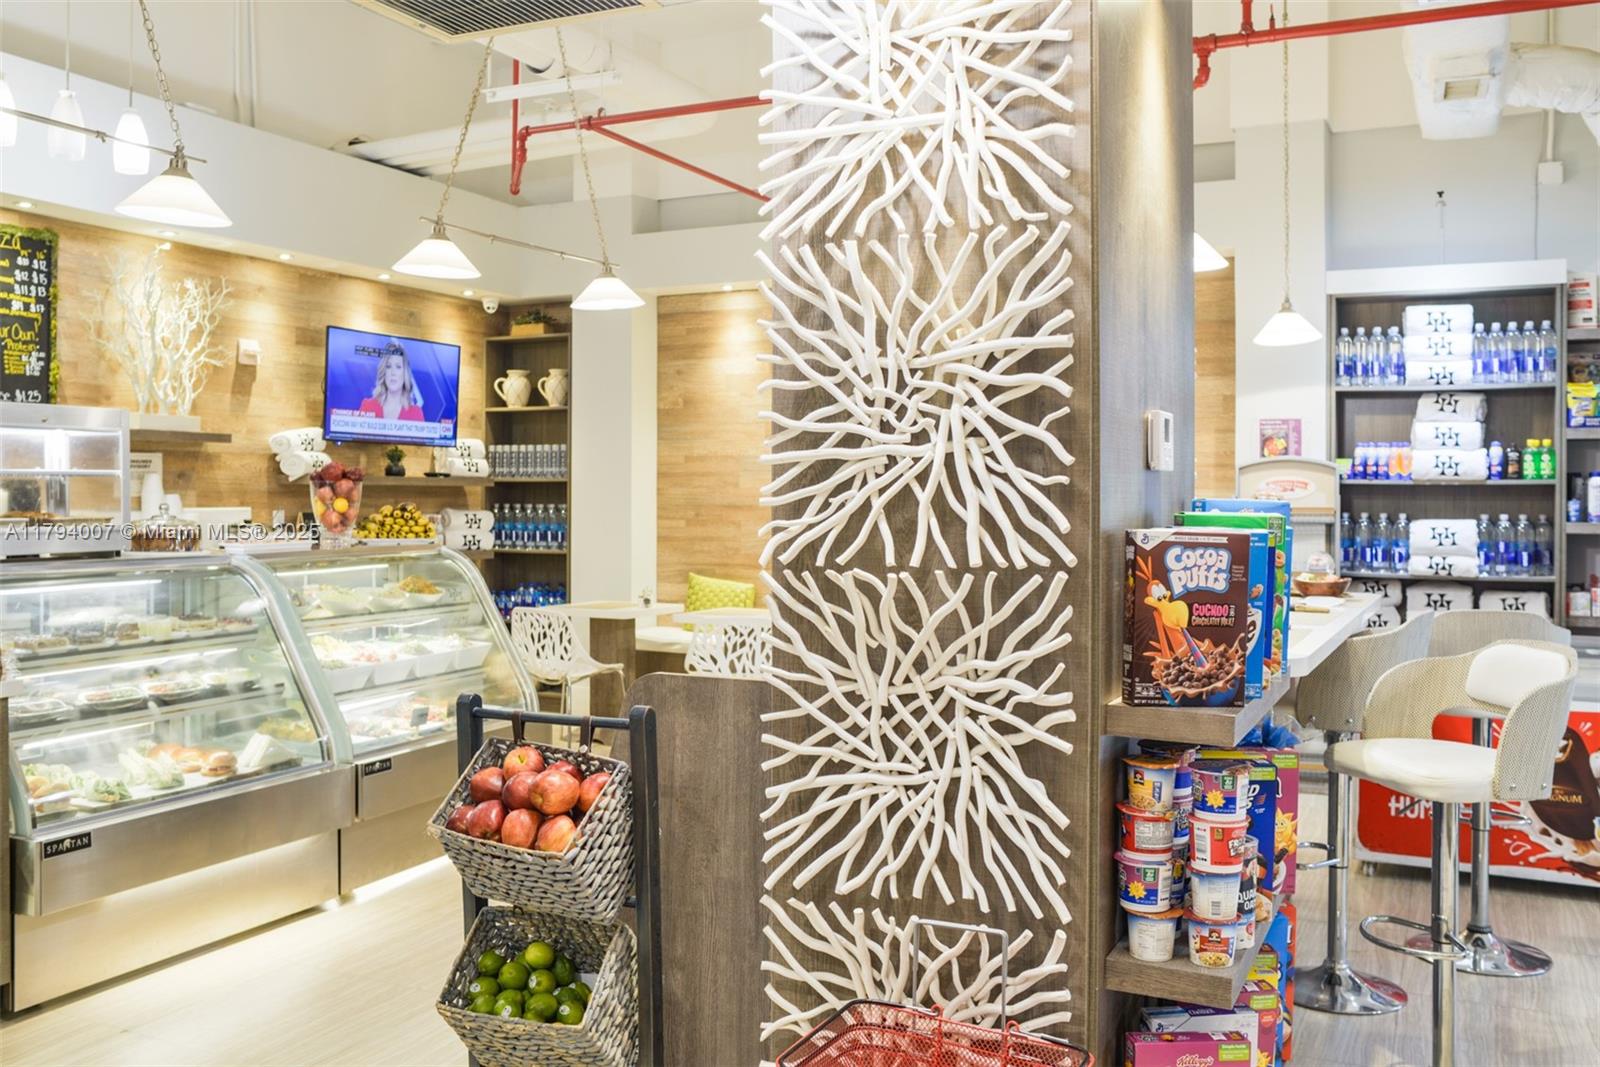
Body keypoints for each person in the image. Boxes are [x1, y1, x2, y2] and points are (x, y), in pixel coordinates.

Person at [357, 342, 424, 421]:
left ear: (405, 373)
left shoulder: (415, 413)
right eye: (388, 366)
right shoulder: (368, 406)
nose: (393, 372)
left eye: (398, 367)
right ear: (384, 372)